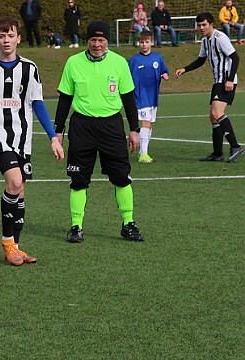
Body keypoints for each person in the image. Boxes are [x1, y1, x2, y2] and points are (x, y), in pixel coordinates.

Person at [0, 16, 65, 266]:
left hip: (22, 138)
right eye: (1, 36)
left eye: (10, 35)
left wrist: (53, 137)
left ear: (18, 38)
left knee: (21, 190)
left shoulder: (29, 68)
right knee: (13, 182)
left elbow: (37, 103)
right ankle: (7, 245)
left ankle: (16, 246)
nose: (6, 40)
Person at [54, 20, 145, 244]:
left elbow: (128, 98)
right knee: (78, 179)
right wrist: (58, 130)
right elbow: (65, 99)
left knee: (121, 177)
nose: (97, 44)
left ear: (107, 41)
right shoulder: (73, 62)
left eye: (101, 40)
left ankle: (128, 224)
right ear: (87, 41)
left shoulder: (119, 63)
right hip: (82, 126)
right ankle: (76, 227)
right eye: (93, 40)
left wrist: (134, 129)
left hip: (111, 126)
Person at [176, 12, 244, 162]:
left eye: (204, 25)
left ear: (211, 24)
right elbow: (201, 60)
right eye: (199, 25)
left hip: (225, 81)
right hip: (217, 81)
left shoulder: (220, 38)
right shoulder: (205, 41)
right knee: (213, 117)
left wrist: (230, 80)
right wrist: (185, 69)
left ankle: (235, 146)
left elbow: (235, 57)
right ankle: (217, 153)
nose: (201, 28)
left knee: (216, 112)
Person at [129, 30, 170, 163]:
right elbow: (126, 77)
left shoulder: (158, 58)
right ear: (138, 43)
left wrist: (165, 75)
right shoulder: (134, 60)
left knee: (150, 124)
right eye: (142, 42)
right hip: (140, 96)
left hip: (153, 96)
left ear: (152, 42)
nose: (144, 45)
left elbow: (164, 70)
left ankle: (142, 152)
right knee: (145, 122)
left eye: (147, 42)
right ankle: (144, 154)